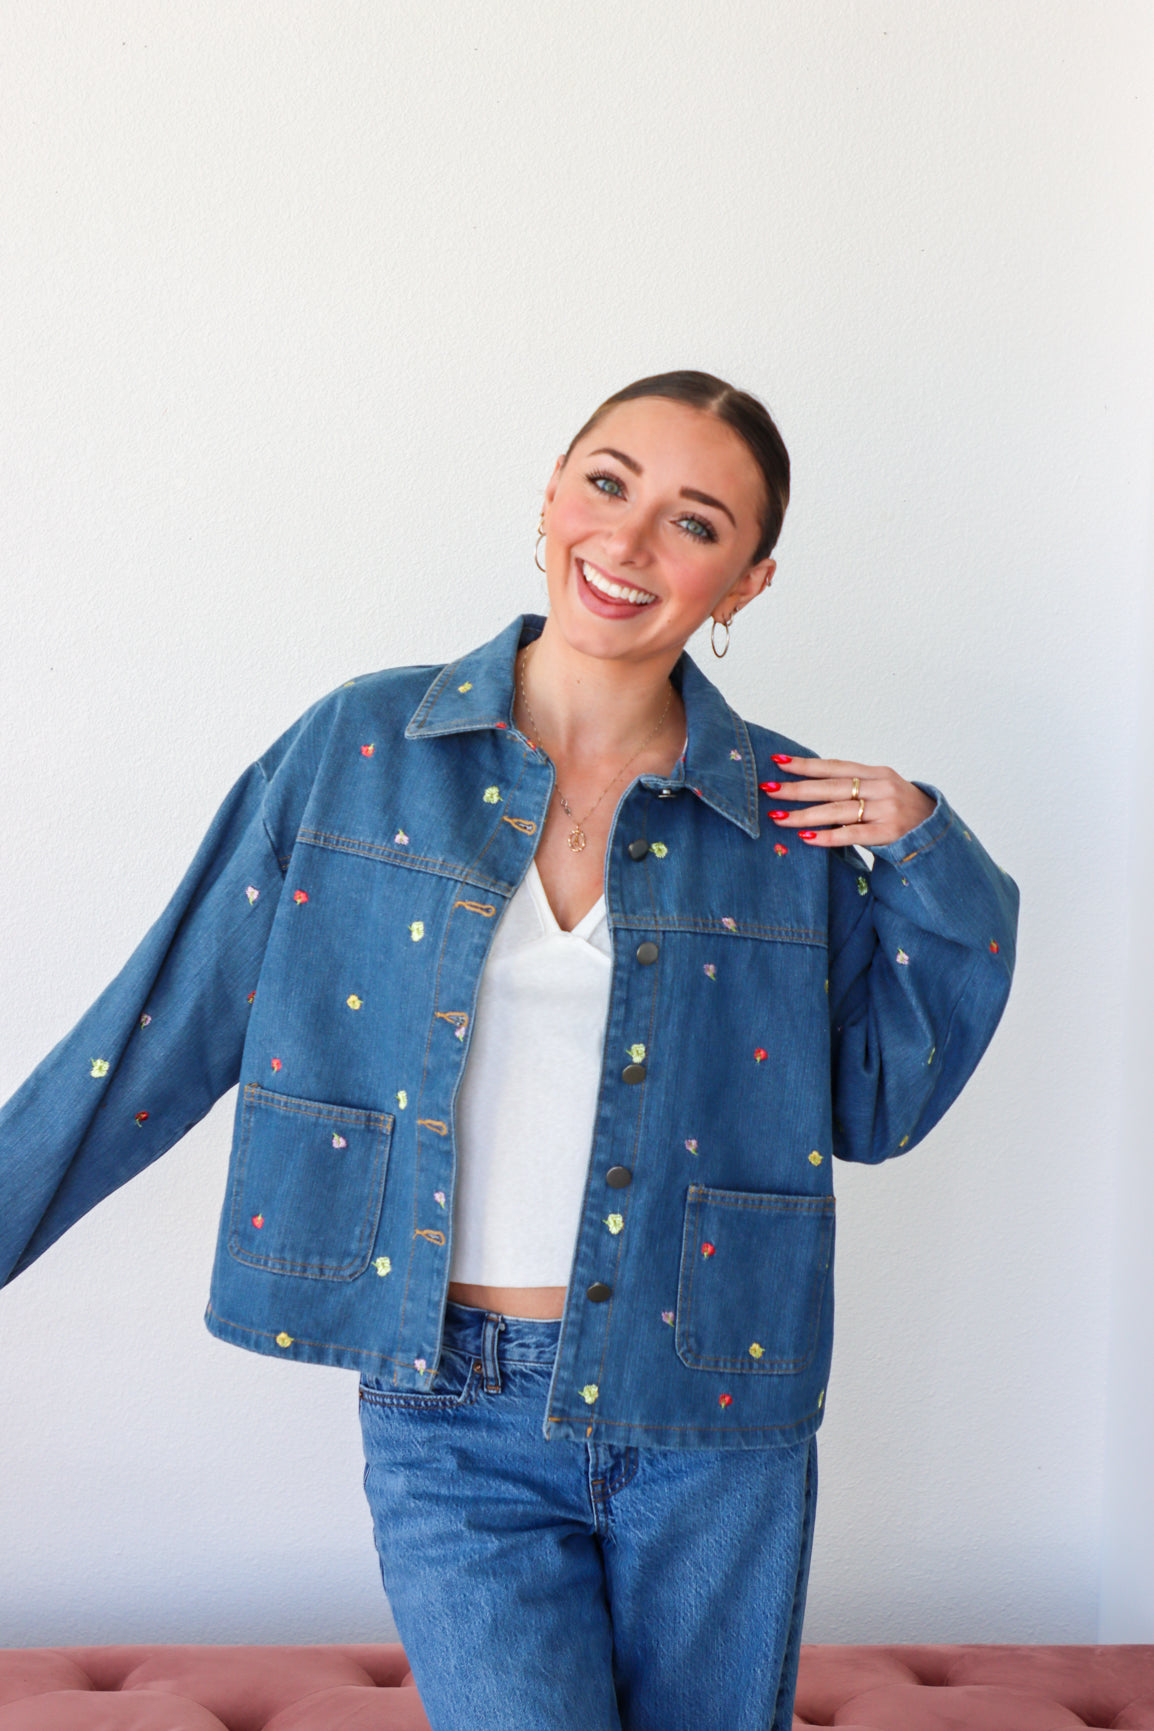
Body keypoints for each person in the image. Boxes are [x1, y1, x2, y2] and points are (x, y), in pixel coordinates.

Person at [0, 370, 1019, 1730]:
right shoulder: (361, 748)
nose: (631, 542)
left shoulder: (788, 814)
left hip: (711, 1399)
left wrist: (926, 857)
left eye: (694, 521)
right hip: (446, 1399)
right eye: (607, 483)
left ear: (746, 584)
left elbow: (879, 1104)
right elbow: (160, 1024)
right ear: (549, 494)